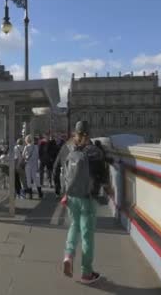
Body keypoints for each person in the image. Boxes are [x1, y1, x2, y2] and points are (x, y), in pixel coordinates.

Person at [52, 121, 107, 284]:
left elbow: (57, 169)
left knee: (74, 226)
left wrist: (60, 191)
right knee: (87, 236)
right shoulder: (94, 151)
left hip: (71, 197)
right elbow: (103, 177)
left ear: (75, 133)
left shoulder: (67, 148)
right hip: (87, 198)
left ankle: (68, 256)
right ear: (89, 134)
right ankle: (86, 273)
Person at [23, 134, 42, 199]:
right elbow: (37, 156)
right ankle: (40, 193)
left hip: (28, 164)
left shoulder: (26, 147)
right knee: (36, 178)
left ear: (26, 140)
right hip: (35, 164)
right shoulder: (36, 147)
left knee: (28, 179)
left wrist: (26, 157)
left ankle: (30, 194)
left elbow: (23, 156)